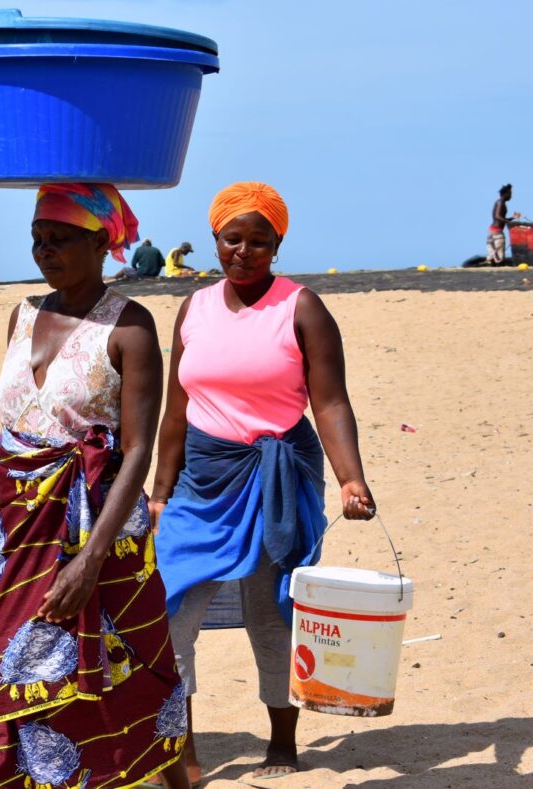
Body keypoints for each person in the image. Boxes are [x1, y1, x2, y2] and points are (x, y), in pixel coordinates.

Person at [148, 183, 376, 784]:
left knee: (269, 613)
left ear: (277, 245)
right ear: (216, 239)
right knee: (172, 612)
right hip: (202, 479)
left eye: (259, 241)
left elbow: (329, 403)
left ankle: (283, 743)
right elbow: (177, 407)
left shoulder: (302, 307)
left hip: (276, 477)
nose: (244, 251)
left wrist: (352, 478)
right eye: (233, 238)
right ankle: (183, 753)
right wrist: (159, 490)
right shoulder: (193, 308)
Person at [0, 183, 191, 789]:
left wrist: (91, 560)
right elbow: (14, 437)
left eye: (60, 240)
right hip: (21, 532)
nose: (44, 252)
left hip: (103, 529)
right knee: (21, 674)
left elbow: (139, 449)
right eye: (38, 240)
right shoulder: (21, 316)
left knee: (132, 666)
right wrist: (0, 546)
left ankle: (172, 781)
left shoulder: (128, 326)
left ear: (100, 242)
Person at [487, 184, 521, 265]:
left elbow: (500, 218)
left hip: (492, 231)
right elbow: (497, 216)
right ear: (505, 194)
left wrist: (513, 218)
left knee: (493, 257)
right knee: (499, 258)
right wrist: (509, 223)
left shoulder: (499, 202)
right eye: (510, 193)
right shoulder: (500, 203)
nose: (511, 196)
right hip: (497, 234)